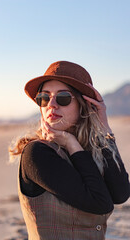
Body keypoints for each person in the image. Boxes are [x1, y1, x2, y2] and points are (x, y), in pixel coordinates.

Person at [9, 61, 130, 240]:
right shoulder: (37, 153)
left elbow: (120, 193)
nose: (51, 104)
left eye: (63, 97)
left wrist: (103, 128)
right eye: (44, 97)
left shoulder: (87, 150)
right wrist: (70, 143)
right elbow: (100, 203)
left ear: (83, 106)